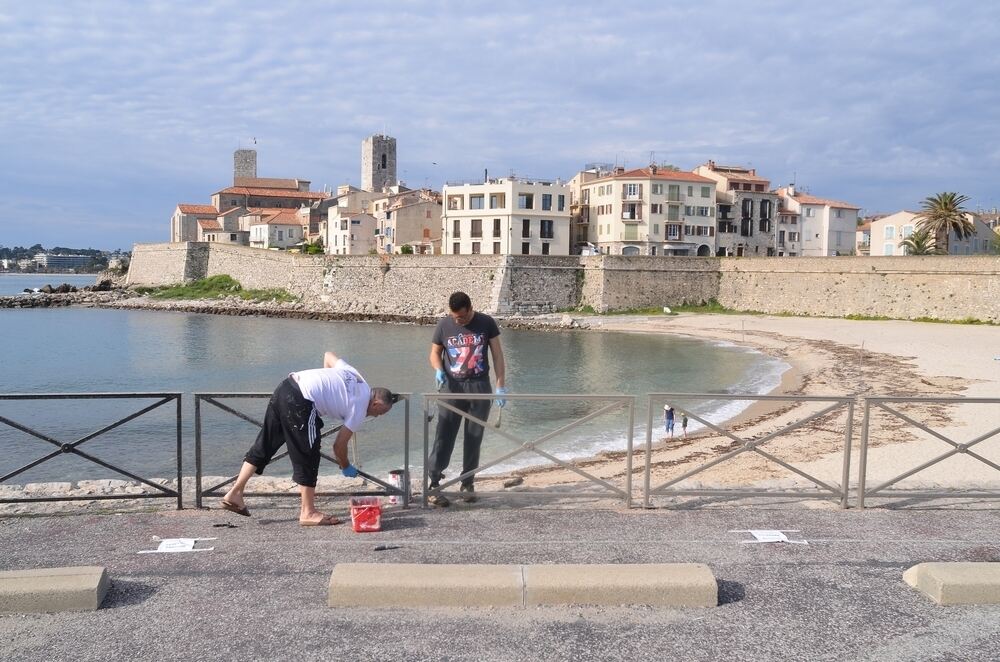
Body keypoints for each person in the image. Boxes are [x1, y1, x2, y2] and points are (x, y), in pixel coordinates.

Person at [221, 351, 396, 526]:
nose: (377, 416)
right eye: (380, 413)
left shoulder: (356, 376)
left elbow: (328, 355)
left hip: (287, 386)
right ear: (376, 403)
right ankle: (308, 512)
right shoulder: (359, 408)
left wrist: (326, 384)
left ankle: (235, 493)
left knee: (266, 443)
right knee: (308, 453)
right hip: (302, 401)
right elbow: (339, 446)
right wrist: (345, 466)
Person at [427, 291, 506, 506]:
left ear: (470, 309)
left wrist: (500, 386)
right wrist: (438, 369)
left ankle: (467, 483)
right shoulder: (444, 325)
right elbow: (434, 353)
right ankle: (434, 484)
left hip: (479, 387)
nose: (458, 320)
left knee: (474, 437)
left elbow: (497, 355)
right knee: (443, 436)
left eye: (461, 316)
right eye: (455, 317)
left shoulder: (486, 323)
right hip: (451, 389)